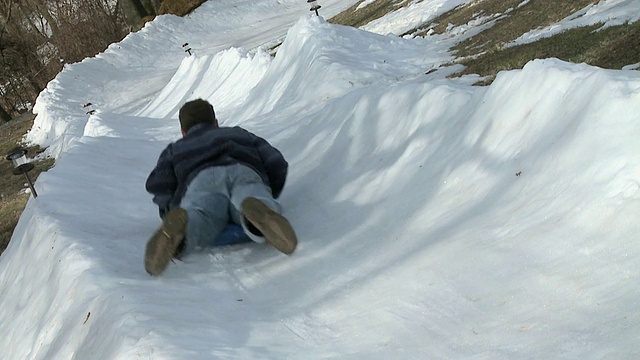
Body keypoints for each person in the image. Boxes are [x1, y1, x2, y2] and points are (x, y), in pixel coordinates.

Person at [144, 98, 297, 276]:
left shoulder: (176, 149)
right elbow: (276, 162)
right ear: (215, 123)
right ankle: (259, 210)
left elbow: (160, 184)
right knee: (249, 195)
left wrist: (168, 210)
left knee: (201, 214)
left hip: (201, 180)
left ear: (183, 132)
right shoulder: (239, 134)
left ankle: (180, 232)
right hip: (243, 171)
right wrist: (269, 190)